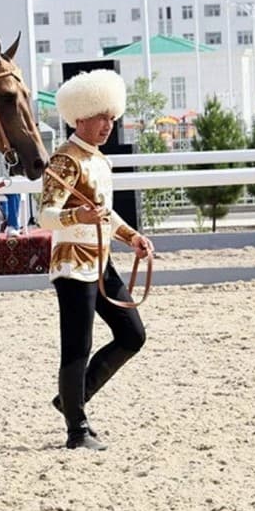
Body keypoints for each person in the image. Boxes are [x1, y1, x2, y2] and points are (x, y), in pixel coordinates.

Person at [38, 69, 155, 451]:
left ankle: (73, 399)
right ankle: (76, 428)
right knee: (78, 345)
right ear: (80, 118)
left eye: (111, 117)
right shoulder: (64, 160)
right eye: (101, 117)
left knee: (132, 334)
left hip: (100, 260)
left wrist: (131, 237)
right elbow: (44, 215)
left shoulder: (99, 161)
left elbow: (105, 213)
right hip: (73, 264)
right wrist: (77, 217)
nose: (108, 125)